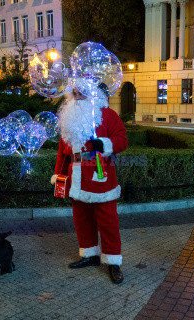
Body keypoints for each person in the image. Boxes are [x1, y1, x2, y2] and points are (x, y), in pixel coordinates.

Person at [51, 84, 128, 284]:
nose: (76, 96)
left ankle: (113, 262)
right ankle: (90, 255)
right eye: (73, 92)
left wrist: (104, 144)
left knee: (108, 221)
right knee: (82, 220)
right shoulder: (68, 118)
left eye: (81, 92)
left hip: (99, 174)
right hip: (75, 176)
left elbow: (122, 140)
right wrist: (59, 176)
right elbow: (62, 152)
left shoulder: (108, 115)